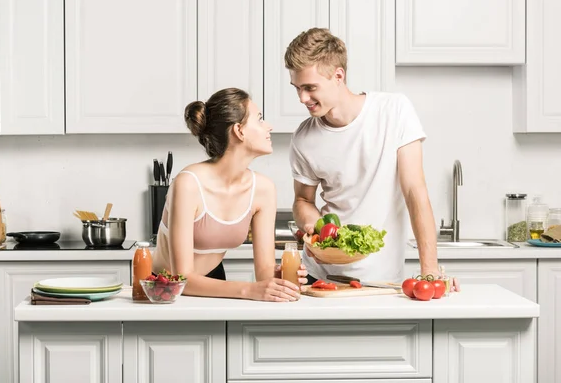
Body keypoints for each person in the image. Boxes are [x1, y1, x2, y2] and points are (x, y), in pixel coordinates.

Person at [285, 28, 459, 289]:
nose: (302, 98)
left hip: (383, 278)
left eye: (310, 88)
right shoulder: (303, 137)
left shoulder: (394, 111)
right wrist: (313, 227)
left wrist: (429, 269)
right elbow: (302, 200)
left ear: (338, 76)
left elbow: (414, 191)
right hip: (321, 277)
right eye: (297, 88)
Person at [152, 87, 307, 302]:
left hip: (213, 283)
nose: (268, 126)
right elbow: (181, 278)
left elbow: (264, 272)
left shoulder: (263, 189)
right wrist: (249, 290)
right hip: (164, 289)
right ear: (239, 130)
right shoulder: (188, 183)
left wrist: (281, 280)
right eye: (260, 119)